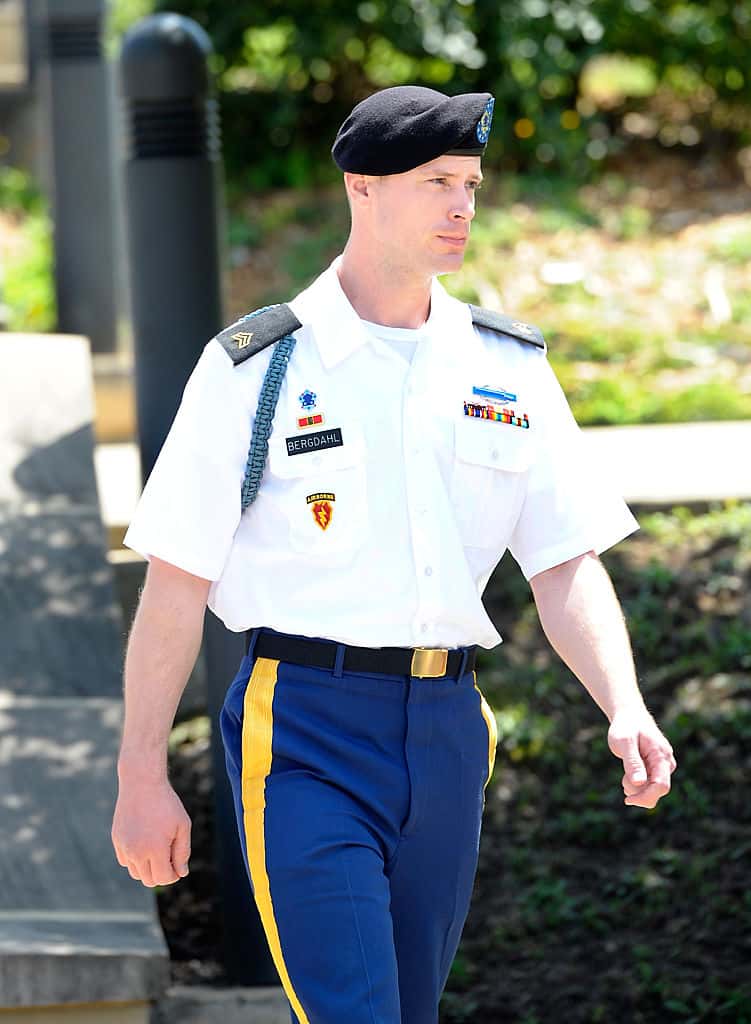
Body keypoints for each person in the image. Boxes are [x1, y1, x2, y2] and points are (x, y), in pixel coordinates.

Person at [111, 85, 677, 1024]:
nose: (461, 207)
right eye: (435, 183)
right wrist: (141, 773)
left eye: (470, 184)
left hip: (448, 730)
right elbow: (175, 583)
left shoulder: (506, 366)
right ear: (362, 188)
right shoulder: (258, 367)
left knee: (408, 1010)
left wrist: (623, 705)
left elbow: (563, 561)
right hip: (303, 727)